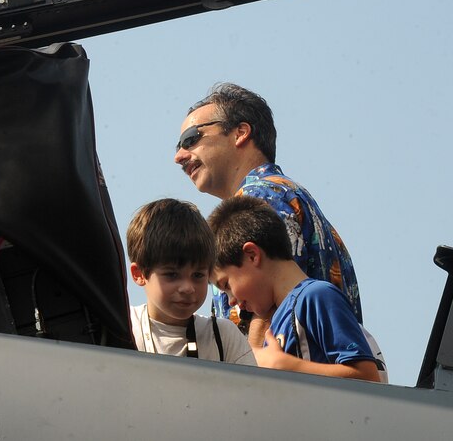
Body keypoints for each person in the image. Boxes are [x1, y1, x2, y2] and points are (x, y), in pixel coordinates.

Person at [173, 83, 362, 328]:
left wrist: (249, 364)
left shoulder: (260, 197)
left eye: (190, 139)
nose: (179, 157)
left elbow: (267, 307)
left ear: (240, 132)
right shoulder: (286, 194)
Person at [207, 196, 382, 382]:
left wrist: (285, 366)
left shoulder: (316, 297)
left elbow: (368, 378)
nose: (230, 300)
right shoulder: (277, 324)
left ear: (252, 255)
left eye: (226, 285)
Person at [126, 198, 255, 365]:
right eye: (172, 275)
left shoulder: (223, 336)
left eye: (198, 275)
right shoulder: (124, 325)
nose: (187, 288)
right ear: (139, 274)